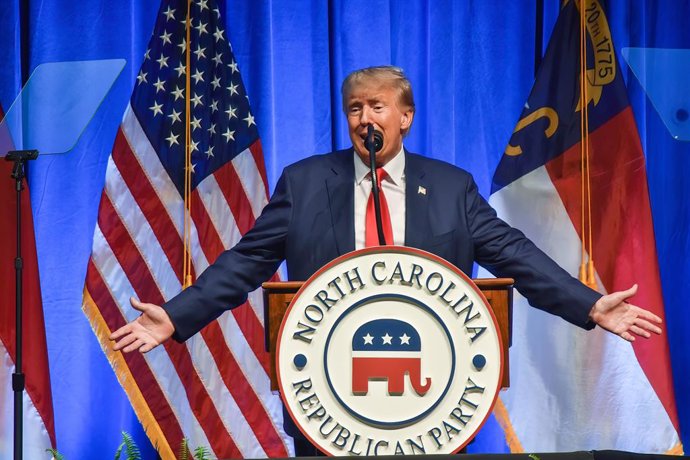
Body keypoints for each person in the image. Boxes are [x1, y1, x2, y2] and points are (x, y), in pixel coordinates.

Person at [111, 65, 663, 455]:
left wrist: (591, 306)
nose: (364, 117)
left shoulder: (450, 189)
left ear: (405, 117)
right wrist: (178, 314)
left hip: (434, 404)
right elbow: (247, 261)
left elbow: (513, 255)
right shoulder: (304, 184)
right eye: (355, 107)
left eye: (377, 106)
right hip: (327, 403)